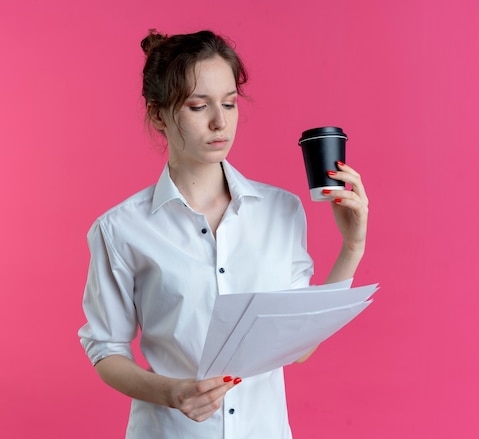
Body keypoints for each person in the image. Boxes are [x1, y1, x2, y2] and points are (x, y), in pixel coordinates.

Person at [78, 29, 369, 439]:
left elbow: (300, 347)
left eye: (229, 103)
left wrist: (352, 247)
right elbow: (106, 349)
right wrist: (172, 392)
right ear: (159, 114)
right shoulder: (121, 229)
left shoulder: (281, 211)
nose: (220, 122)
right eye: (198, 106)